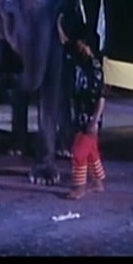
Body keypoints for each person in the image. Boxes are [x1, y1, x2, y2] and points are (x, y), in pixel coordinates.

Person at [57, 13, 107, 200]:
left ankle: (80, 187)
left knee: (79, 152)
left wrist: (94, 121)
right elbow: (65, 42)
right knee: (91, 151)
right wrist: (59, 23)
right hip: (80, 115)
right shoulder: (80, 59)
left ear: (87, 45)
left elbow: (101, 98)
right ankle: (98, 182)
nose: (77, 46)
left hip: (90, 118)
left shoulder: (95, 68)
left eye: (80, 44)